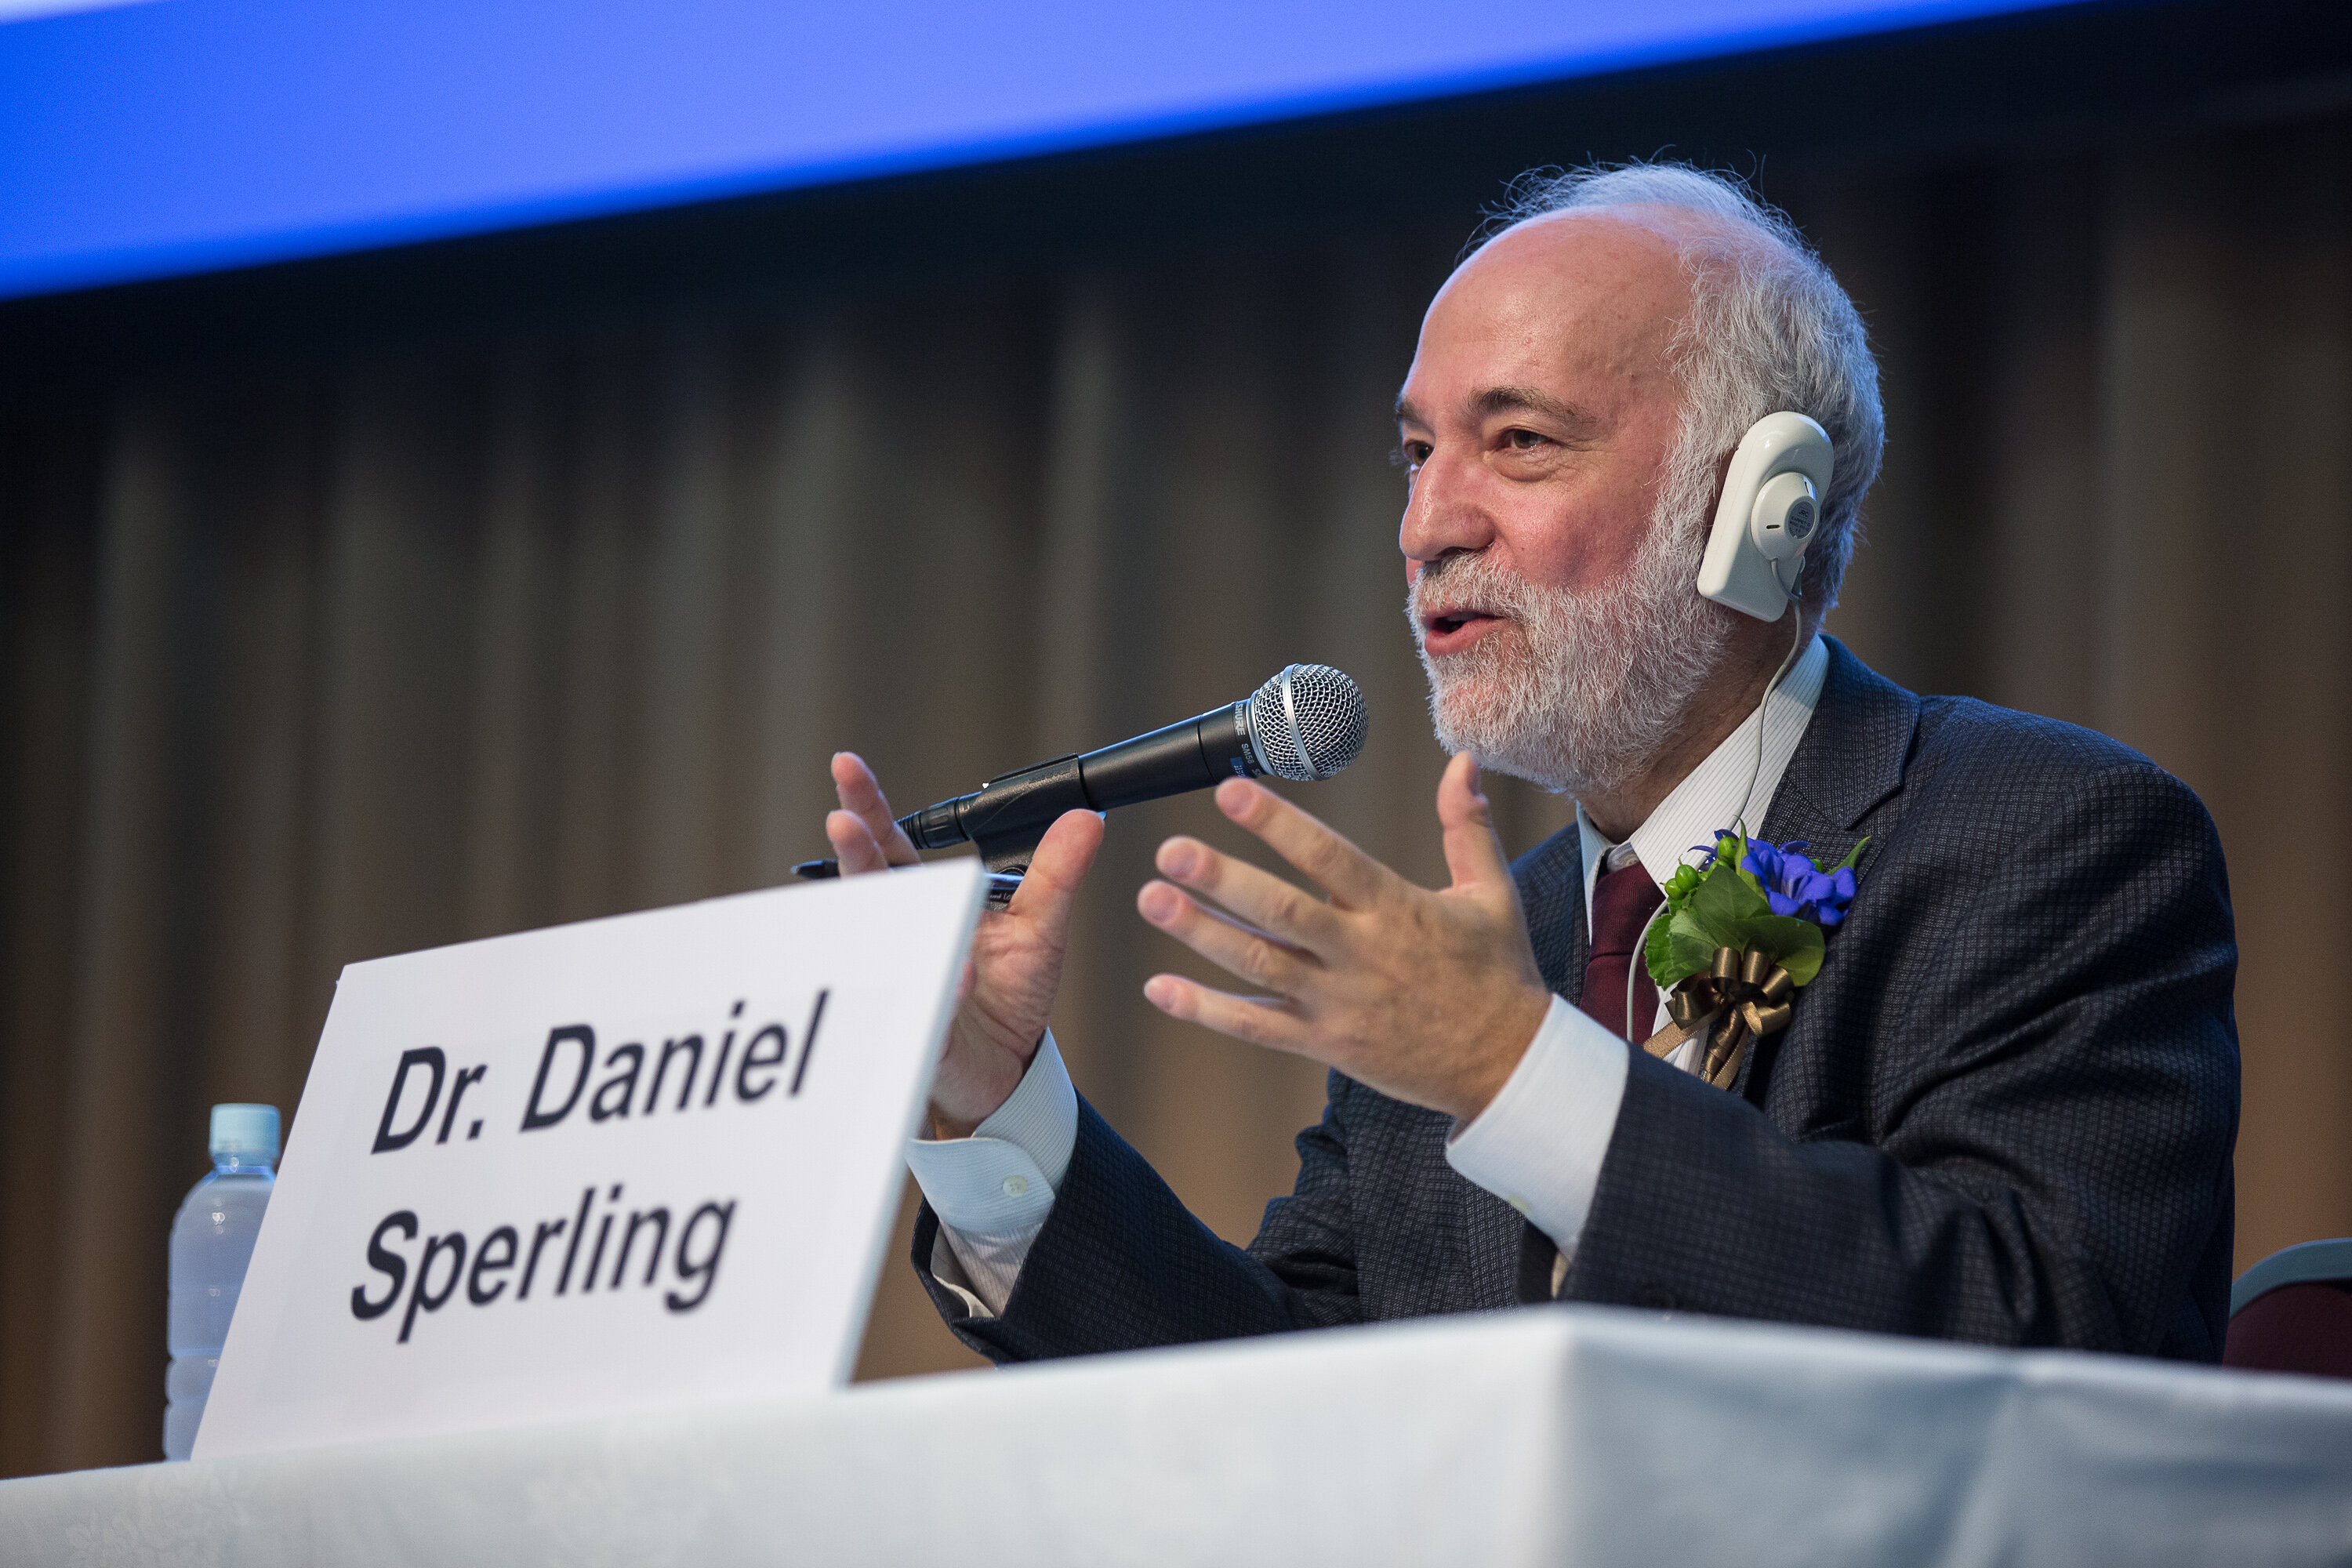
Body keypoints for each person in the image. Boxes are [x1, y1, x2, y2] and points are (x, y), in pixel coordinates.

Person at [823, 163, 2238, 1363]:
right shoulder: (1480, 956)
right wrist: (999, 1109)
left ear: (1766, 507)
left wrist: (1520, 1073)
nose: (1427, 524)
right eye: (1416, 452)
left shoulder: (2050, 839)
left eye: (1519, 442)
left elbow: (2038, 1323)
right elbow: (1286, 1399)